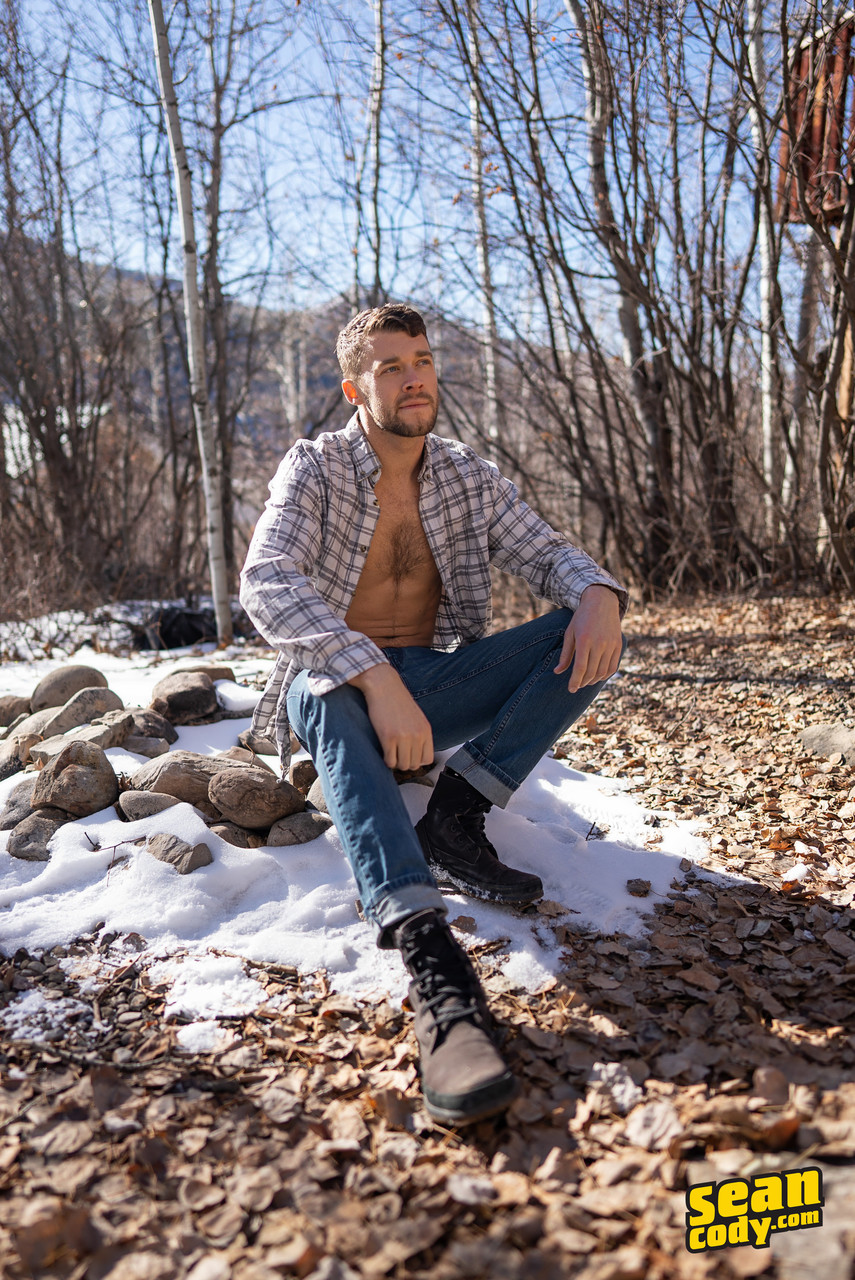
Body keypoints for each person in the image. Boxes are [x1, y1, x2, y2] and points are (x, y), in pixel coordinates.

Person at [240, 303, 627, 1125]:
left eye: (420, 360)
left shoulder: (464, 475)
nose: (413, 378)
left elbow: (547, 551)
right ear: (356, 388)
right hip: (335, 683)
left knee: (584, 626)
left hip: (432, 684)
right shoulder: (314, 468)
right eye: (390, 367)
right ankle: (432, 964)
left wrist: (598, 593)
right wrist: (373, 675)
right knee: (330, 695)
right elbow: (266, 579)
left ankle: (456, 815)